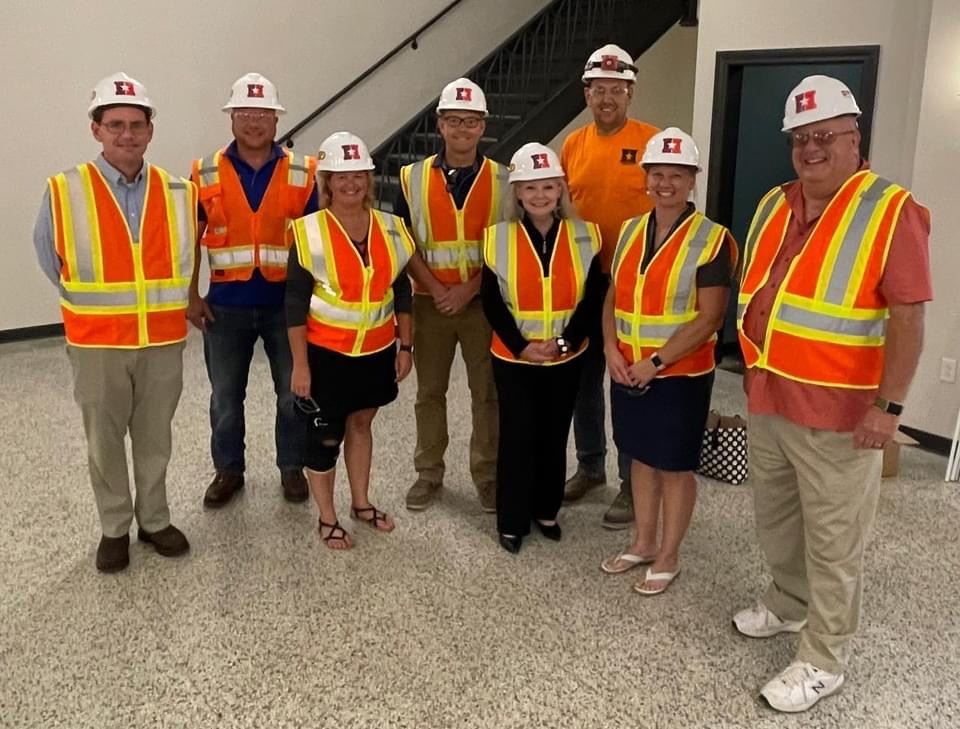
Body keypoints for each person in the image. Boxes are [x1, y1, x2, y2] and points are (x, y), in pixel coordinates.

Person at [733, 75, 931, 712]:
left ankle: (825, 657)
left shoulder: (890, 209)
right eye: (799, 138)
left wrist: (889, 408)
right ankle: (789, 601)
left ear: (854, 139)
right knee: (777, 519)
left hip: (841, 412)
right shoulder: (775, 202)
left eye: (824, 135)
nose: (810, 148)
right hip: (769, 394)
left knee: (834, 539)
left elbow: (908, 319)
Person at [33, 73, 195, 572]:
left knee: (155, 438)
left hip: (162, 340)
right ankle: (114, 528)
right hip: (97, 342)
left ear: (150, 130)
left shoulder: (179, 190)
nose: (127, 134)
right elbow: (50, 258)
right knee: (104, 441)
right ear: (96, 130)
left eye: (136, 125)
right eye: (115, 125)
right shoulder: (65, 189)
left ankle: (155, 520)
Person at [599, 128, 736, 593]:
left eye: (677, 175)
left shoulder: (712, 239)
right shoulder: (630, 230)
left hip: (679, 375)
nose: (665, 184)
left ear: (693, 179)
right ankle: (642, 542)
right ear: (646, 178)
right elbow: (613, 296)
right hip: (627, 367)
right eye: (658, 174)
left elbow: (710, 317)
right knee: (640, 457)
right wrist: (610, 348)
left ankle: (669, 555)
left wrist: (655, 363)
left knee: (674, 466)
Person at [189, 73, 319, 508]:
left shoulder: (304, 171)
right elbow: (189, 240)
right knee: (226, 398)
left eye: (263, 113)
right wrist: (191, 296)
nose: (254, 121)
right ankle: (228, 470)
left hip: (288, 307)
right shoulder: (204, 171)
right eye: (245, 112)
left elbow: (319, 241)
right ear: (231, 118)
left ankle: (292, 467)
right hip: (226, 307)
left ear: (277, 120)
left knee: (293, 393)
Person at [286, 132, 415, 550]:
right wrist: (300, 366)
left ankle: (361, 503)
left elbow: (402, 291)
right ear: (327, 183)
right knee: (325, 437)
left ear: (368, 180)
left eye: (357, 175)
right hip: (326, 357)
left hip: (375, 352)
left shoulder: (392, 229)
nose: (350, 183)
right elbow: (294, 303)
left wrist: (406, 346)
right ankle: (327, 517)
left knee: (361, 425)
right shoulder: (308, 232)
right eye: (340, 177)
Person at [481, 143, 605, 554]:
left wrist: (565, 342)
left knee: (554, 433)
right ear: (517, 193)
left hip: (567, 356)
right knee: (517, 436)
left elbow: (593, 298)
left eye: (548, 186)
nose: (540, 195)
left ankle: (546, 509)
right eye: (530, 187)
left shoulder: (586, 236)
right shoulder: (497, 238)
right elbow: (491, 301)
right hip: (514, 357)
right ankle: (512, 519)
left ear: (560, 190)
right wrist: (522, 346)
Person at [395, 78, 509, 513]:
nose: (463, 129)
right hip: (430, 302)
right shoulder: (411, 178)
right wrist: (438, 288)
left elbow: (510, 245)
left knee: (487, 394)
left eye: (471, 121)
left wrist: (469, 288)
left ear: (483, 126)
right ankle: (428, 472)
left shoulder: (503, 179)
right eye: (454, 120)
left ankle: (488, 475)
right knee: (429, 392)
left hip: (484, 302)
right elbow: (405, 243)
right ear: (440, 124)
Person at [560, 44, 661, 529]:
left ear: (630, 93)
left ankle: (629, 482)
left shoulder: (651, 141)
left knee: (626, 380)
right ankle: (590, 466)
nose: (606, 98)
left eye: (616, 90)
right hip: (586, 279)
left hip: (633, 282)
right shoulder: (573, 145)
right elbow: (565, 208)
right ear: (586, 93)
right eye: (598, 89)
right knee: (583, 380)